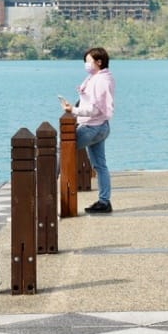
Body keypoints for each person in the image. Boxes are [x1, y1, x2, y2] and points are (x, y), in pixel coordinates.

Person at [62, 47, 115, 214]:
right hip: (102, 127)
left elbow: (93, 108)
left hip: (92, 127)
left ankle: (44, 185)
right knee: (100, 165)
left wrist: (73, 111)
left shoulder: (99, 81)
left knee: (62, 150)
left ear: (99, 62)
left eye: (88, 61)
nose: (86, 64)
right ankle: (104, 201)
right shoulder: (103, 77)